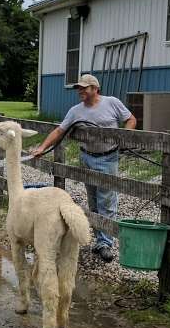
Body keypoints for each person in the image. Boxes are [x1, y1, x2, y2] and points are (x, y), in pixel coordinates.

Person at [28, 74, 136, 262]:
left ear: (95, 89)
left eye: (84, 88)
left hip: (108, 157)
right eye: (79, 88)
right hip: (87, 157)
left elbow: (131, 119)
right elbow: (59, 130)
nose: (80, 91)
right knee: (93, 198)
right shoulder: (76, 111)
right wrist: (42, 148)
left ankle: (106, 243)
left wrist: (124, 136)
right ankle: (99, 240)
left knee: (107, 199)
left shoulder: (111, 103)